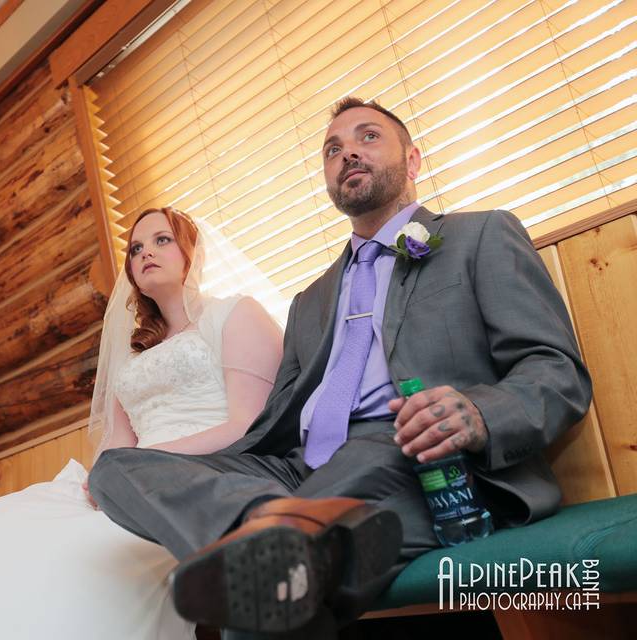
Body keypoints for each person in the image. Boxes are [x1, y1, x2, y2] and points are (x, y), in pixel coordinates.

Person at [88, 97, 593, 639]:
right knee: (116, 468)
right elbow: (274, 418)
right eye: (333, 149)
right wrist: (218, 471)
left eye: (368, 136)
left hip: (415, 451)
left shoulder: (481, 236)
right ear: (328, 178)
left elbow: (555, 370)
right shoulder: (310, 300)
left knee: (262, 602)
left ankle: (284, 540)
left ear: (414, 160)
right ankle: (277, 526)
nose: (348, 151)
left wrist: (476, 412)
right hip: (297, 469)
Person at [0, 207, 285, 640]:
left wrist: (144, 464)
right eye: (135, 248)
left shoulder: (234, 315)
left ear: (193, 252)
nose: (145, 253)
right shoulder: (132, 354)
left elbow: (248, 426)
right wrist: (103, 481)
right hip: (127, 475)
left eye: (161, 240)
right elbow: (117, 439)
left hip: (195, 481)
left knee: (77, 558)